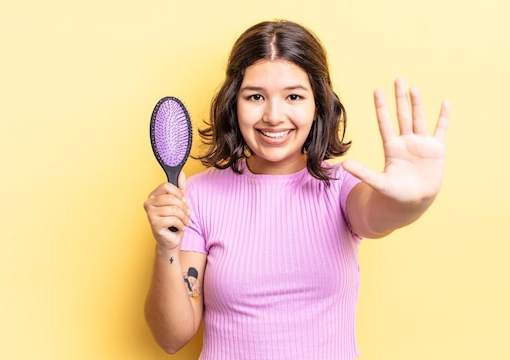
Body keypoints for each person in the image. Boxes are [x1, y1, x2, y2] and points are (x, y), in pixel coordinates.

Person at [143, 19, 450, 360]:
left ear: (317, 104)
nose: (274, 116)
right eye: (255, 96)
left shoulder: (341, 187)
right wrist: (165, 248)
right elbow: (172, 338)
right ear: (234, 103)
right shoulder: (198, 196)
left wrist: (415, 200)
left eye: (294, 96)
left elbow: (380, 215)